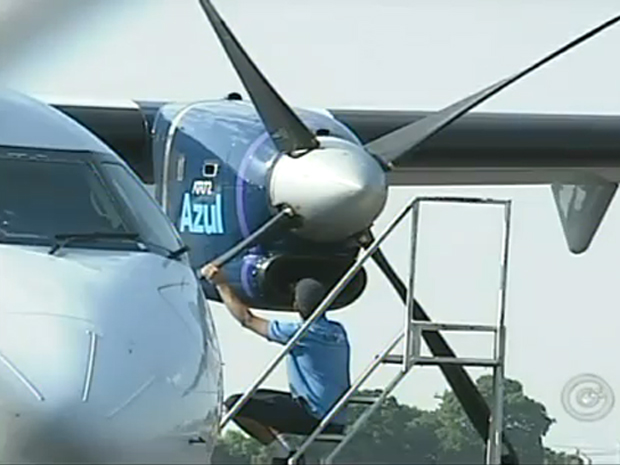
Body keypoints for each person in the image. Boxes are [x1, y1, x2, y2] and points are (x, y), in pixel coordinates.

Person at [201, 263, 351, 465]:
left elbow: (247, 319)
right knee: (264, 401)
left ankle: (282, 453)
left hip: (312, 415)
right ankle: (287, 448)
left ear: (296, 305)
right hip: (335, 416)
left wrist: (221, 284)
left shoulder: (302, 333)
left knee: (236, 405)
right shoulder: (338, 331)